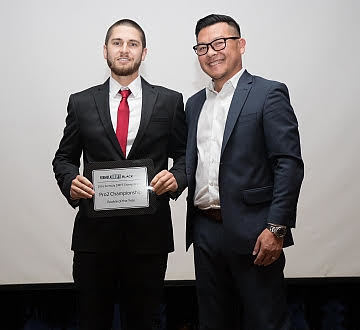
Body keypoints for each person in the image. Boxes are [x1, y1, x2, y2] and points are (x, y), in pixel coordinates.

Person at [52, 19, 187, 330]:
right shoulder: (81, 101)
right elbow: (63, 158)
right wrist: (70, 180)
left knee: (143, 322)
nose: (124, 49)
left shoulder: (169, 100)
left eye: (132, 43)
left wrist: (177, 177)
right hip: (94, 239)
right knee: (92, 320)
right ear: (105, 50)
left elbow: (183, 156)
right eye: (117, 42)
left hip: (148, 238)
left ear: (144, 52)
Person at [185, 14, 304, 330]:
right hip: (206, 231)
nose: (212, 52)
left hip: (256, 233)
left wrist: (276, 228)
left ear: (241, 44)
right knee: (213, 322)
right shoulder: (194, 104)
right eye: (202, 47)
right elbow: (190, 164)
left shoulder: (268, 93)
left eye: (220, 42)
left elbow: (288, 164)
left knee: (266, 321)